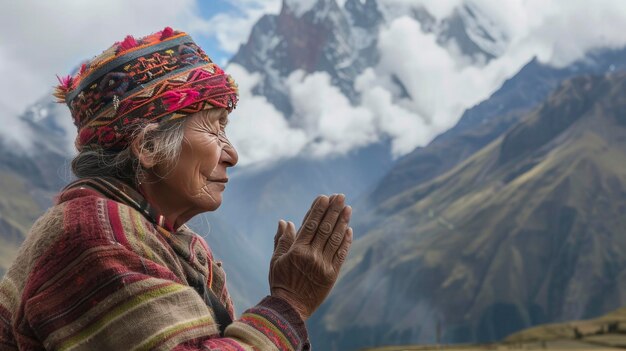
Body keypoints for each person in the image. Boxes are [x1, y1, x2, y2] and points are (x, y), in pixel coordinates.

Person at [0, 27, 353, 350]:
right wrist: (290, 303)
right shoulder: (95, 241)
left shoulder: (150, 234)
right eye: (215, 129)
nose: (232, 155)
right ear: (149, 147)